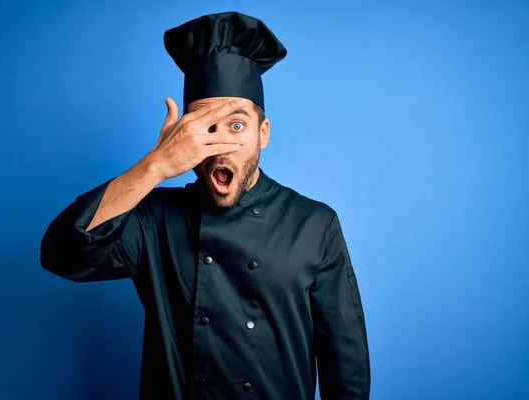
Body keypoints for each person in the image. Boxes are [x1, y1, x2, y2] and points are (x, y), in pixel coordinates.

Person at [40, 11, 371, 400]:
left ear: (262, 134)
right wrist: (156, 165)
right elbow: (62, 253)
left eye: (236, 125)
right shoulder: (152, 218)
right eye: (203, 127)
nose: (220, 143)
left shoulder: (315, 224)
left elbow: (345, 366)